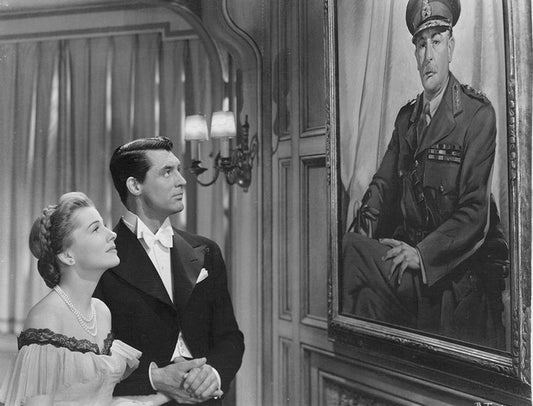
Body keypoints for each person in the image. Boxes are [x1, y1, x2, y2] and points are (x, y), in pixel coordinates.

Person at [342, 0, 509, 348]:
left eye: (436, 41)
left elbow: (474, 213)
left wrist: (420, 254)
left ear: (451, 46)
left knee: (350, 259)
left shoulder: (477, 115)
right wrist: (362, 234)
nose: (428, 55)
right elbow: (382, 187)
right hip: (407, 265)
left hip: (450, 273)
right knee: (361, 292)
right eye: (421, 44)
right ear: (415, 53)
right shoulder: (407, 119)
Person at [94, 137, 244, 405]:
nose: (182, 180)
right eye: (167, 171)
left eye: (178, 170)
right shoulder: (100, 258)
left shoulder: (206, 251)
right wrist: (153, 377)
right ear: (135, 185)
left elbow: (229, 338)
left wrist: (214, 374)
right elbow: (89, 358)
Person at [0, 192, 172, 405]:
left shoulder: (101, 311)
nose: (112, 234)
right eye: (95, 229)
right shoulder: (46, 318)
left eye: (104, 226)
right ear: (67, 256)